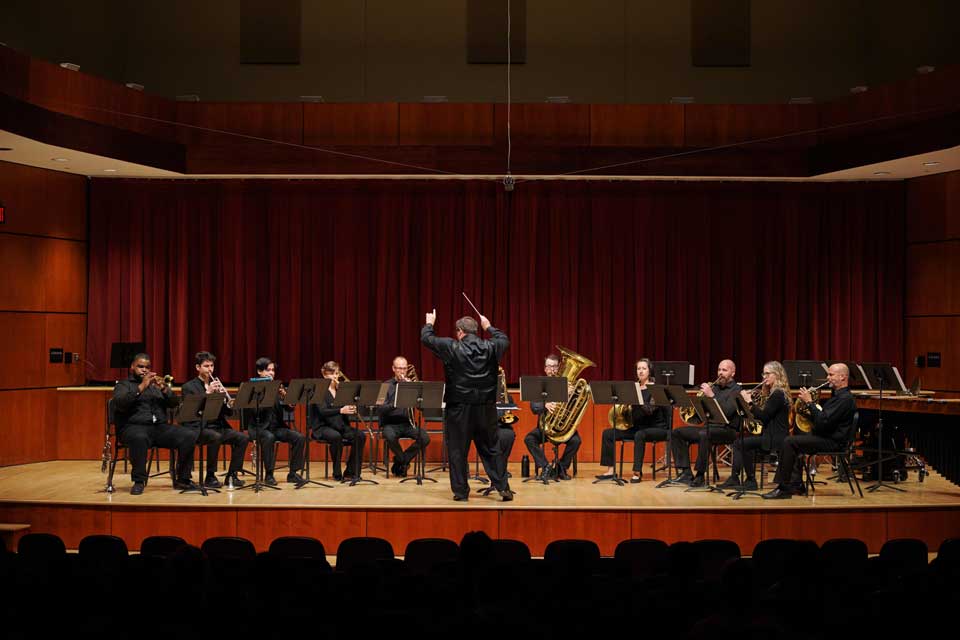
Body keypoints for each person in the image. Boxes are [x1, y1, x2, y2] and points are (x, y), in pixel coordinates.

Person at [421, 309, 513, 501]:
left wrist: (430, 323)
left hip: (459, 408)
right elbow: (504, 339)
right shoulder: (491, 346)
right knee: (491, 448)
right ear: (476, 330)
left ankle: (461, 492)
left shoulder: (451, 347)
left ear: (460, 331)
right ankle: (503, 487)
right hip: (485, 408)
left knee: (457, 450)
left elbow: (426, 338)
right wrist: (489, 327)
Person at [763, 363, 856, 499]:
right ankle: (796, 484)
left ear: (843, 377)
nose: (827, 378)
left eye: (831, 375)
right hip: (827, 436)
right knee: (793, 439)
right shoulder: (837, 396)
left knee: (789, 442)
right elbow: (823, 419)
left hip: (833, 441)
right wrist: (807, 412)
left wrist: (809, 403)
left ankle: (783, 488)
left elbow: (824, 422)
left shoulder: (845, 399)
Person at [112, 353, 198, 495]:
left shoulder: (155, 387)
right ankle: (139, 481)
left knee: (188, 435)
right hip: (133, 427)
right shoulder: (123, 385)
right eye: (140, 367)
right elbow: (121, 404)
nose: (144, 370)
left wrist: (164, 389)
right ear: (132, 367)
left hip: (159, 428)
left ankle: (183, 479)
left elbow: (174, 403)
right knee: (139, 438)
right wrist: (142, 386)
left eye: (147, 367)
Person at [717, 361, 791, 491]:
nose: (764, 377)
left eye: (768, 374)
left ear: (777, 375)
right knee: (743, 442)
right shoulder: (773, 393)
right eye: (763, 374)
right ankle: (745, 479)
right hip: (770, 435)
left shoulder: (778, 394)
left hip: (776, 438)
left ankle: (748, 480)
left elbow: (764, 417)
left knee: (740, 443)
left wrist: (749, 402)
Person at [180, 351, 249, 488]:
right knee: (215, 437)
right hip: (199, 427)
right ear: (198, 367)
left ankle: (232, 475)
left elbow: (228, 413)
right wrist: (208, 393)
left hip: (218, 425)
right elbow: (191, 410)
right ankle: (210, 476)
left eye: (212, 366)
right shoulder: (189, 387)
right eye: (206, 366)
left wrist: (225, 401)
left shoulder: (216, 385)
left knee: (242, 438)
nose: (210, 369)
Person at [595, 358, 670, 483]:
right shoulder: (634, 388)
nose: (641, 371)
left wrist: (636, 399)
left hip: (656, 428)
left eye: (644, 368)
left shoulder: (656, 389)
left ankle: (636, 472)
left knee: (639, 435)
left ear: (649, 371)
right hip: (638, 427)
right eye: (638, 368)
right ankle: (610, 471)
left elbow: (649, 410)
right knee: (608, 433)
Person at [671, 359, 742, 486]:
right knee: (677, 433)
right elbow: (701, 416)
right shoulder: (715, 387)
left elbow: (727, 412)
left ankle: (700, 475)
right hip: (709, 427)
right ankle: (686, 473)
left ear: (733, 373)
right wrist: (698, 405)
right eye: (719, 370)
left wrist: (711, 396)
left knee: (704, 434)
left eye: (724, 370)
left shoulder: (737, 390)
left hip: (728, 430)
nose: (720, 373)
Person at [244, 357, 306, 486]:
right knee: (269, 437)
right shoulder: (252, 388)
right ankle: (269, 474)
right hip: (259, 427)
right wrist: (268, 395)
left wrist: (288, 400)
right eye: (268, 370)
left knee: (299, 437)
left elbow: (289, 409)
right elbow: (253, 412)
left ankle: (293, 473)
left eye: (273, 370)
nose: (271, 373)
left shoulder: (277, 387)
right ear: (259, 371)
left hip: (276, 427)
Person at [524, 354, 582, 481]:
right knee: (529, 439)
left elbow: (576, 406)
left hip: (563, 428)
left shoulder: (568, 385)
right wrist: (545, 405)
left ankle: (561, 467)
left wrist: (573, 394)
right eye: (549, 367)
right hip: (545, 427)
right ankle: (545, 466)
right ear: (545, 369)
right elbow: (534, 407)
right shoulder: (539, 384)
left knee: (576, 441)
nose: (552, 370)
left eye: (555, 366)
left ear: (559, 368)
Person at [309, 360, 367, 481]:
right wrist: (341, 410)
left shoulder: (340, 390)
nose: (334, 377)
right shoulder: (318, 389)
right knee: (336, 437)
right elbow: (322, 411)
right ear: (324, 375)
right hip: (322, 427)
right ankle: (337, 472)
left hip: (340, 425)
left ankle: (351, 471)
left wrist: (351, 406)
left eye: (336, 373)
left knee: (360, 435)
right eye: (331, 374)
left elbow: (347, 408)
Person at [377, 356, 430, 477]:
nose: (402, 371)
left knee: (425, 437)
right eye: (399, 368)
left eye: (404, 368)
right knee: (389, 436)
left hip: (408, 423)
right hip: (390, 424)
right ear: (393, 369)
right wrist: (395, 402)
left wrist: (415, 392)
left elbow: (421, 407)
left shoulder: (411, 385)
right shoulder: (385, 385)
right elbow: (380, 409)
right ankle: (403, 462)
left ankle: (400, 460)